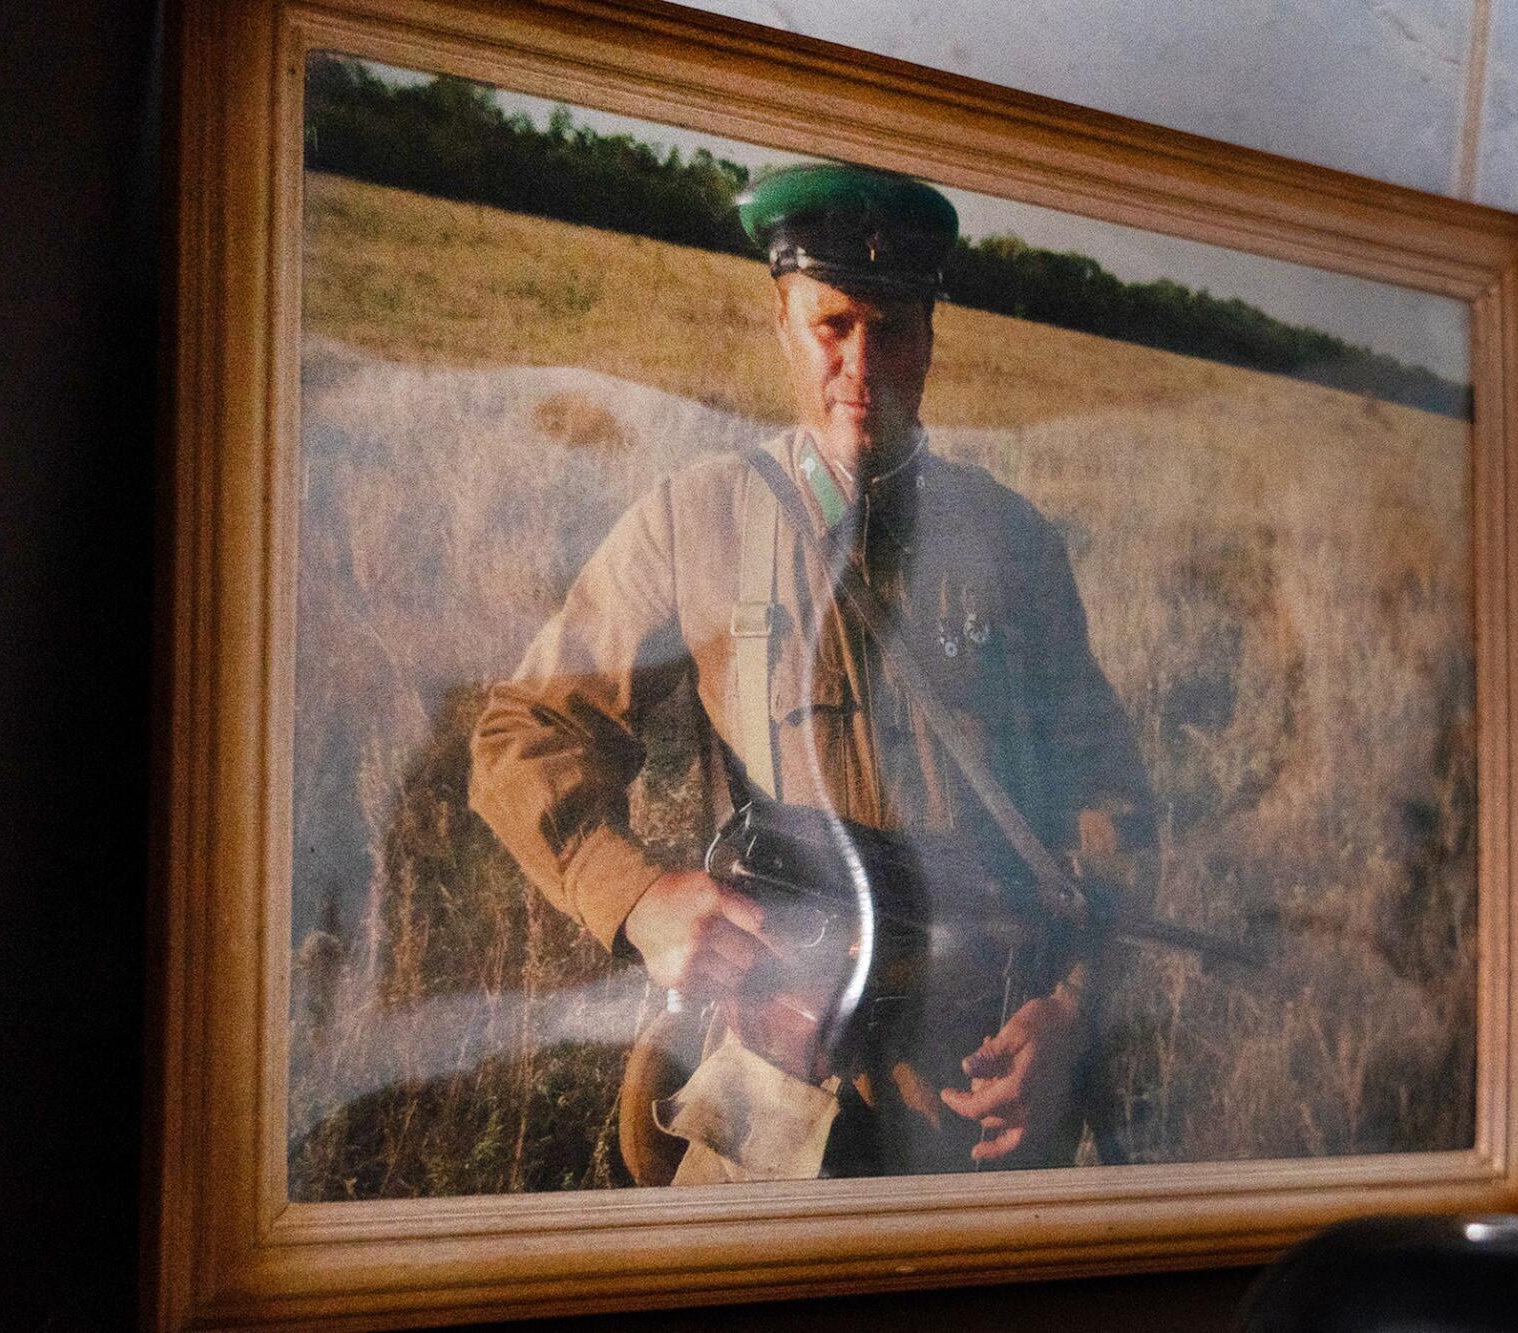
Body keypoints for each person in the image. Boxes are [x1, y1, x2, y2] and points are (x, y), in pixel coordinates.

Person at [469, 162, 1153, 1183]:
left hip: (973, 1100)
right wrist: (639, 896)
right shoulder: (693, 518)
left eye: (895, 329)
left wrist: (1069, 1011)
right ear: (781, 323)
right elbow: (525, 727)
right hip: (769, 1083)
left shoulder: (1013, 544)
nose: (862, 364)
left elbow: (1105, 799)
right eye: (833, 324)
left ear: (931, 339)